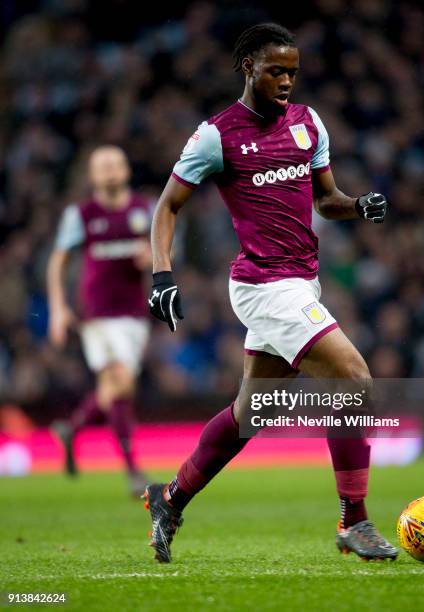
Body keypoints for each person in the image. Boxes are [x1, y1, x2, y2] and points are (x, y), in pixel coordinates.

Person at [144, 23, 397, 561]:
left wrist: (357, 207)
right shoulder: (216, 135)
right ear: (248, 68)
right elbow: (167, 206)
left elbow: (326, 200)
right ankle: (355, 520)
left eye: (293, 72)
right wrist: (162, 273)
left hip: (302, 280)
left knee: (250, 414)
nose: (286, 81)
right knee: (354, 379)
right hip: (263, 285)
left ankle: (169, 497)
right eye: (275, 70)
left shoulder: (309, 124)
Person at [47, 145, 152, 497]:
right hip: (97, 314)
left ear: (125, 170)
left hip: (135, 314)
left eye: (114, 164)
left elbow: (163, 254)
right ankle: (133, 471)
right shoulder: (81, 215)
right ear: (91, 175)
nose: (109, 171)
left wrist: (151, 259)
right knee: (119, 382)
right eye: (101, 166)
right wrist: (59, 308)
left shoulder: (143, 210)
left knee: (117, 390)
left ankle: (72, 427)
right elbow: (57, 261)